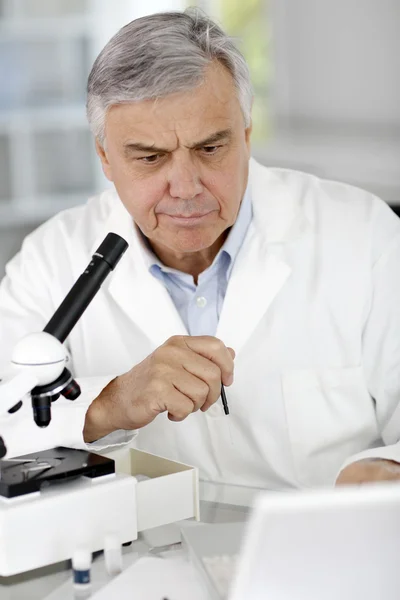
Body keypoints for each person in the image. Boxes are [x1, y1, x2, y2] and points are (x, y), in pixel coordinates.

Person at [1, 9, 400, 489]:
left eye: (211, 149)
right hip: (135, 560)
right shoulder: (50, 260)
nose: (186, 188)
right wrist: (108, 403)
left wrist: (385, 471)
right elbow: (9, 421)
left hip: (323, 551)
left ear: (247, 135)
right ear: (105, 157)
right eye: (150, 158)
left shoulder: (364, 236)